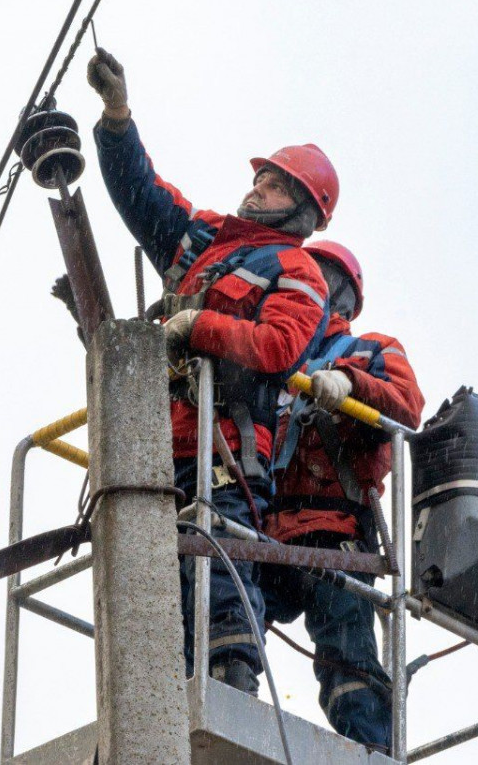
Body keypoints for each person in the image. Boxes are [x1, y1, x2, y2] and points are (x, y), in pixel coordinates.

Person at [87, 48, 334, 694]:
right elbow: (143, 196)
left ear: (301, 209)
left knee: (219, 575)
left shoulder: (298, 272)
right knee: (154, 590)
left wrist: (197, 327)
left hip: (223, 449)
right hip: (156, 443)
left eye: (275, 183)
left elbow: (280, 347)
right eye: (261, 177)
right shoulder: (204, 242)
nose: (257, 187)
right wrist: (118, 118)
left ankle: (231, 684)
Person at [263, 240, 425, 752]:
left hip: (334, 538)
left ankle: (373, 750)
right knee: (217, 625)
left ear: (343, 298)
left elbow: (405, 408)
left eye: (317, 276)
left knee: (348, 665)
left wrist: (349, 383)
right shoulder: (275, 351)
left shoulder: (372, 349)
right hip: (263, 536)